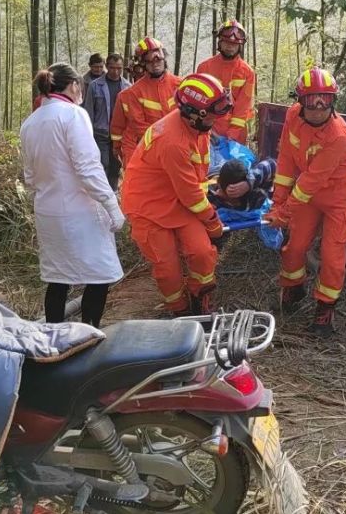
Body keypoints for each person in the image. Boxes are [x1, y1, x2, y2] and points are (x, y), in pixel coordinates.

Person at [19, 62, 126, 328]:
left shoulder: (30, 123)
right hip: (80, 211)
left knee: (58, 279)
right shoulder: (73, 115)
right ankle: (89, 334)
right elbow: (88, 167)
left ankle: (55, 340)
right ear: (74, 85)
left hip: (47, 211)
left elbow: (30, 177)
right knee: (100, 275)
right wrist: (111, 203)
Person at [121, 73, 233, 316]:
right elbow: (191, 194)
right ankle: (180, 311)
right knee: (167, 268)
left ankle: (199, 298)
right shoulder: (173, 141)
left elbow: (196, 181)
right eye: (213, 113)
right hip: (148, 206)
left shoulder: (198, 128)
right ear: (196, 114)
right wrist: (214, 224)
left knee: (202, 253)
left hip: (179, 201)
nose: (217, 118)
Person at [265, 67, 346, 338]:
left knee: (332, 257)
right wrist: (277, 204)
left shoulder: (339, 135)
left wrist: (283, 212)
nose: (319, 108)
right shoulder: (292, 116)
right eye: (311, 100)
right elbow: (285, 162)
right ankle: (294, 290)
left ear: (333, 102)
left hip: (339, 195)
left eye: (325, 100)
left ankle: (325, 311)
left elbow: (309, 182)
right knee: (294, 247)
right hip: (306, 193)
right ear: (299, 101)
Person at [109, 37, 182, 167]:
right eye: (150, 61)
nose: (155, 64)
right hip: (144, 149)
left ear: (164, 58)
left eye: (158, 59)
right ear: (143, 64)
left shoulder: (180, 85)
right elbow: (138, 127)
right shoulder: (133, 93)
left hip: (176, 147)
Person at [196, 20, 257, 143]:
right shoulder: (204, 67)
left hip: (236, 134)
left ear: (240, 46)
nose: (230, 47)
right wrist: (206, 128)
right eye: (227, 42)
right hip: (208, 129)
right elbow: (199, 102)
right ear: (220, 42)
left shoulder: (247, 73)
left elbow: (243, 107)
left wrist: (231, 137)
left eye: (234, 44)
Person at [84, 53, 129, 190]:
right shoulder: (95, 86)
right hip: (100, 133)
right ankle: (101, 197)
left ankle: (113, 193)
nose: (115, 71)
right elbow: (89, 112)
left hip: (120, 135)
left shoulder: (128, 87)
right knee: (102, 164)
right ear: (107, 67)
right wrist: (87, 136)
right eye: (112, 68)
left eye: (119, 68)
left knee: (116, 166)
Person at [207, 157, 276, 211]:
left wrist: (249, 183)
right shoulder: (210, 197)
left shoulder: (254, 196)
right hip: (214, 169)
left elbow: (273, 164)